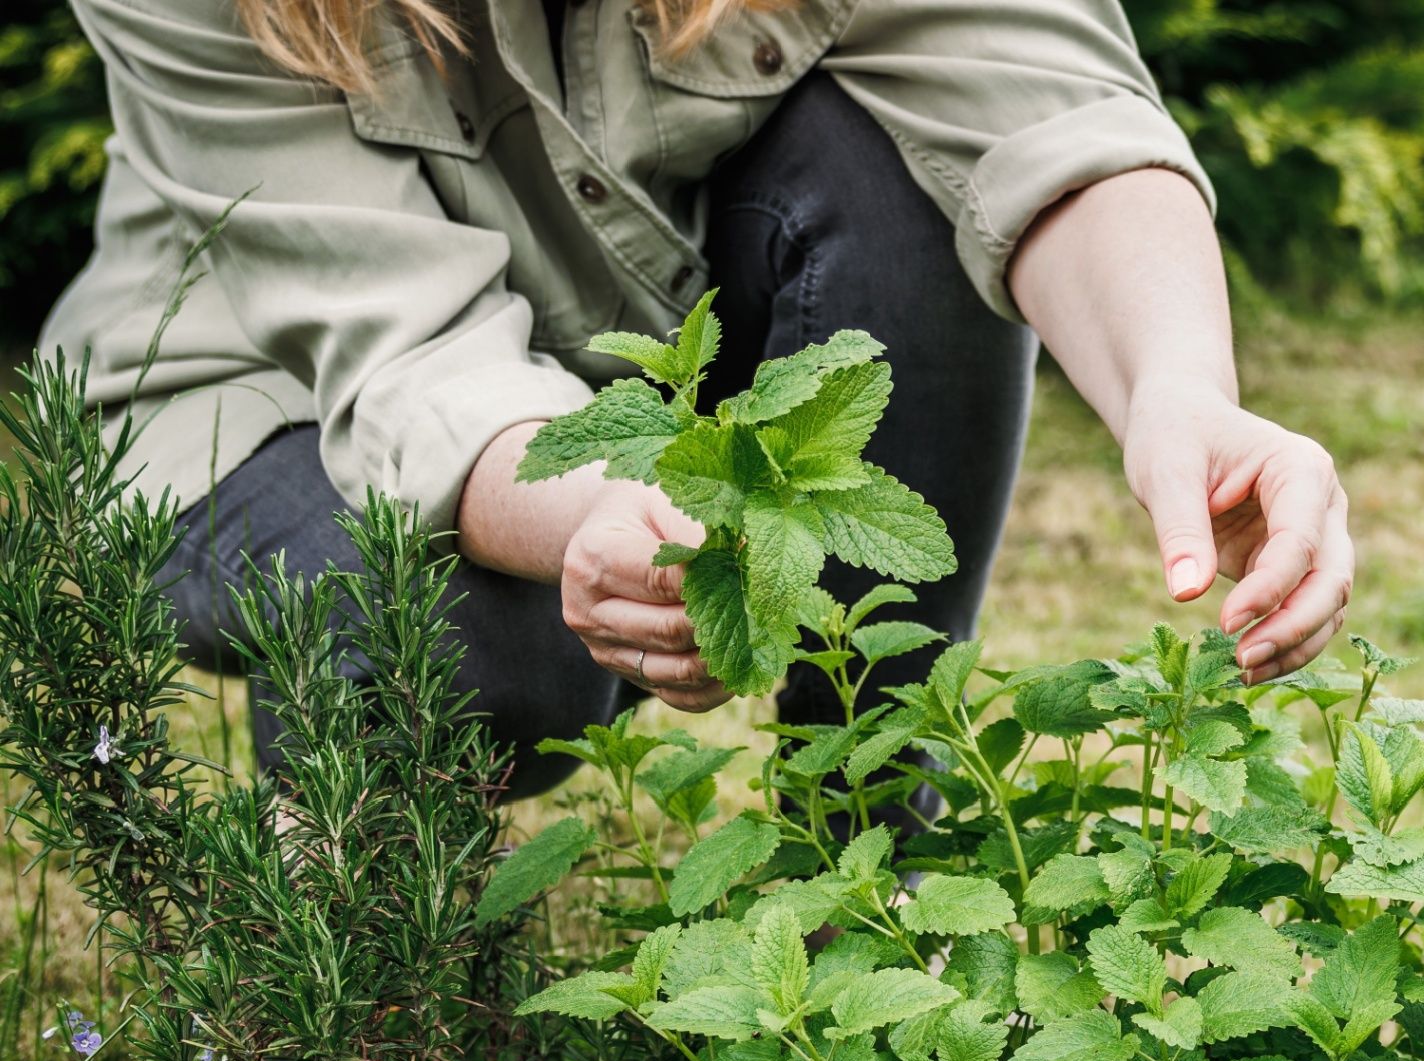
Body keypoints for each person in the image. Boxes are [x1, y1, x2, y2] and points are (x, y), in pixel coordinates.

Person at [42, 0, 1356, 797]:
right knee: (465, 642)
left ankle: (869, 863)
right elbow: (404, 356)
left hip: (614, 356)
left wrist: (1181, 384)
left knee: (914, 175)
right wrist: (609, 513)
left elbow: (1040, 98)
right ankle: (355, 965)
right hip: (251, 398)